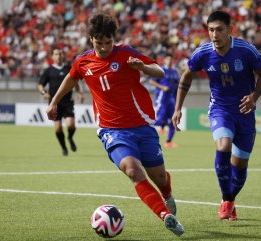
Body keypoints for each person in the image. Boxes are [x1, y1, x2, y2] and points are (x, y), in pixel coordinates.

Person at [46, 13, 184, 236]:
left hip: (141, 126)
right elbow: (72, 77)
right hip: (111, 130)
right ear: (91, 39)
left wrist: (143, 67)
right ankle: (165, 215)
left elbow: (159, 70)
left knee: (159, 176)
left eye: (108, 42)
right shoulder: (83, 61)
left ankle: (167, 196)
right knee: (132, 169)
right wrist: (54, 102)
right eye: (99, 43)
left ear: (113, 38)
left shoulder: (126, 54)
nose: (103, 47)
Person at [172, 10, 261, 221]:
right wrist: (178, 107)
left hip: (245, 111)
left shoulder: (246, 50)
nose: (214, 35)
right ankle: (226, 199)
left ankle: (230, 199)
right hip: (220, 109)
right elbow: (186, 77)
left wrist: (254, 96)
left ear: (230, 30)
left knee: (240, 166)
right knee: (223, 146)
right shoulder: (203, 53)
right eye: (211, 30)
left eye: (219, 30)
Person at [38, 48, 84, 156]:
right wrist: (44, 93)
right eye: (56, 54)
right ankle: (64, 148)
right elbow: (40, 85)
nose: (58, 56)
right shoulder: (48, 71)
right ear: (52, 56)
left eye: (60, 53)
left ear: (63, 55)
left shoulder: (69, 68)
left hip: (67, 102)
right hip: (54, 103)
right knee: (58, 127)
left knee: (71, 124)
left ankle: (70, 137)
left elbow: (75, 82)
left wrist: (79, 93)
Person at [149, 54, 180, 148]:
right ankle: (142, 126)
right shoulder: (161, 70)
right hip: (162, 98)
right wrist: (162, 87)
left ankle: (168, 141)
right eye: (168, 60)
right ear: (165, 61)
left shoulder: (174, 71)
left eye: (171, 60)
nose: (170, 62)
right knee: (160, 120)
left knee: (173, 120)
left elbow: (178, 83)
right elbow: (152, 81)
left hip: (171, 99)